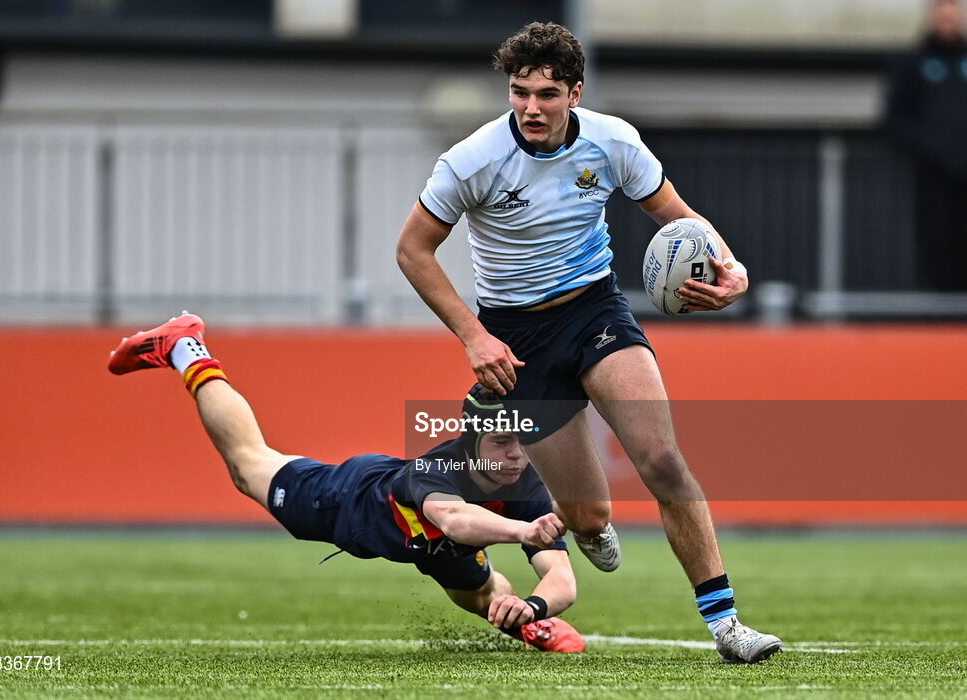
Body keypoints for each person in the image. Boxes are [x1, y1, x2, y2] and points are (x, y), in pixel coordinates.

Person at [395, 22, 781, 663]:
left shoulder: (614, 141)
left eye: (546, 94)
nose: (530, 108)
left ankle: (727, 625)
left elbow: (676, 216)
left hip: (596, 312)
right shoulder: (472, 159)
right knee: (589, 516)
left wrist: (730, 267)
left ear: (576, 92)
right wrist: (473, 336)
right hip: (515, 339)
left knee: (661, 460)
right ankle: (588, 527)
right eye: (519, 92)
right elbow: (413, 250)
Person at [107, 312, 585, 653]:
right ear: (473, 435)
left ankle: (521, 627)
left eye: (524, 439)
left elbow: (562, 578)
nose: (516, 454)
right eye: (503, 441)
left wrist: (535, 605)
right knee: (248, 466)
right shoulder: (438, 471)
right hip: (351, 500)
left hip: (436, 549)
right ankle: (184, 346)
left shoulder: (525, 481)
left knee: (483, 596)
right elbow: (455, 518)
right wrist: (523, 532)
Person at [886, 0, 967, 291]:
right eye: (942, 15)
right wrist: (937, 153)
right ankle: (936, 316)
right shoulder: (913, 63)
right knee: (936, 242)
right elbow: (897, 118)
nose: (948, 21)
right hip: (932, 178)